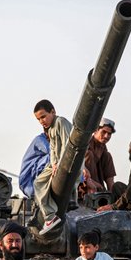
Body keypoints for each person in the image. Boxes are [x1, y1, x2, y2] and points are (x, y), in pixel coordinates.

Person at [32, 99, 74, 235]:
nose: (41, 121)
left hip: (68, 163)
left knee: (41, 184)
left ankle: (50, 216)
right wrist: (55, 163)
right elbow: (53, 149)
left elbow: (69, 145)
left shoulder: (61, 122)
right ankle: (50, 216)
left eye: (43, 116)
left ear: (53, 112)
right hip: (57, 164)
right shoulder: (50, 129)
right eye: (38, 119)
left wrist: (61, 164)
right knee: (39, 183)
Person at [84, 118, 117, 192]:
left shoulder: (103, 147)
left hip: (98, 182)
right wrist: (90, 181)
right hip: (83, 181)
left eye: (109, 134)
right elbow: (78, 165)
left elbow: (108, 174)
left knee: (107, 155)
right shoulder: (86, 143)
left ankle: (112, 192)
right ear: (96, 130)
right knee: (89, 154)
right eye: (104, 132)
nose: (106, 136)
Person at [19, 133, 50, 199]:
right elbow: (50, 151)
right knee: (52, 158)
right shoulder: (39, 139)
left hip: (36, 185)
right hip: (28, 183)